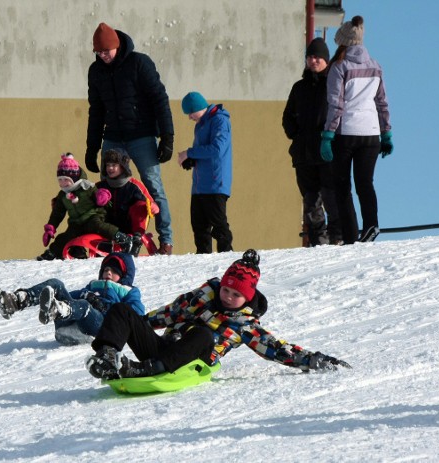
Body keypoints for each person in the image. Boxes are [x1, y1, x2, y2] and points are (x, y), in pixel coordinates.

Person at [86, 249, 351, 379]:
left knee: (202, 334)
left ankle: (147, 369)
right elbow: (168, 314)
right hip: (164, 348)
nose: (227, 296)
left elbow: (278, 349)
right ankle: (108, 357)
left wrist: (314, 360)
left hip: (192, 363)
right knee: (123, 310)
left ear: (247, 298)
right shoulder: (202, 297)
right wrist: (131, 326)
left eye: (236, 295)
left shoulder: (245, 325)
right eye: (225, 290)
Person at [85, 22, 176, 255]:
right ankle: (114, 237)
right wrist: (92, 147)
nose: (103, 56)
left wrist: (167, 136)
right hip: (113, 136)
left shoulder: (139, 63)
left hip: (142, 134)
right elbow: (96, 111)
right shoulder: (96, 72)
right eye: (99, 52)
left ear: (117, 46)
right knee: (106, 188)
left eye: (107, 51)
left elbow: (159, 98)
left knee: (152, 185)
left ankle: (166, 240)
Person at [321, 16, 392, 244]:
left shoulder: (339, 67)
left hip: (346, 134)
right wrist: (386, 132)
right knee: (366, 183)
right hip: (371, 134)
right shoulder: (376, 66)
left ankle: (351, 236)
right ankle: (371, 226)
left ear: (343, 42)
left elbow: (336, 104)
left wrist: (328, 134)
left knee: (342, 186)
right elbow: (382, 102)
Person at [0, 252, 144, 345]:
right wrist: (85, 294)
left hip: (101, 327)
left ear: (124, 275)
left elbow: (136, 315)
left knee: (84, 306)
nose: (108, 273)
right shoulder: (93, 285)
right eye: (106, 269)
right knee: (56, 285)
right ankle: (14, 302)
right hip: (71, 323)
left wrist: (107, 308)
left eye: (114, 271)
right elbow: (73, 295)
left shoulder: (129, 291)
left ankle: (57, 310)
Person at [283, 38, 352, 246]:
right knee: (310, 201)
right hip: (303, 153)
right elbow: (287, 116)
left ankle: (337, 238)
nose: (313, 61)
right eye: (310, 57)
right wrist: (295, 133)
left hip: (327, 150)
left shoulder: (333, 83)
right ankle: (317, 242)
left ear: (326, 60)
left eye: (318, 57)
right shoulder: (299, 87)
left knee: (331, 197)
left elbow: (341, 113)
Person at [38, 154, 142, 260]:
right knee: (66, 236)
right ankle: (52, 252)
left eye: (66, 179)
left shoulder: (87, 187)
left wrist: (103, 198)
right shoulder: (62, 195)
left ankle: (122, 238)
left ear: (74, 178)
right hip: (76, 222)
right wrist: (51, 228)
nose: (63, 183)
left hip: (93, 215)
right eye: (60, 179)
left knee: (99, 226)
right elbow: (57, 213)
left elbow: (104, 202)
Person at [177, 91, 234, 254]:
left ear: (199, 107)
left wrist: (189, 153)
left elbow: (217, 149)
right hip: (199, 184)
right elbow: (203, 151)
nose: (189, 117)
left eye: (190, 113)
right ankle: (202, 260)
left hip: (215, 183)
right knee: (199, 226)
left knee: (219, 225)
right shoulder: (201, 124)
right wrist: (192, 160)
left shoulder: (220, 120)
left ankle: (226, 255)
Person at [96, 148, 150, 238]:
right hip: (106, 228)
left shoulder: (133, 185)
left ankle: (137, 236)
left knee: (141, 205)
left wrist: (152, 206)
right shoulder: (100, 186)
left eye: (114, 165)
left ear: (122, 166)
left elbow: (148, 201)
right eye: (108, 165)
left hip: (128, 228)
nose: (110, 168)